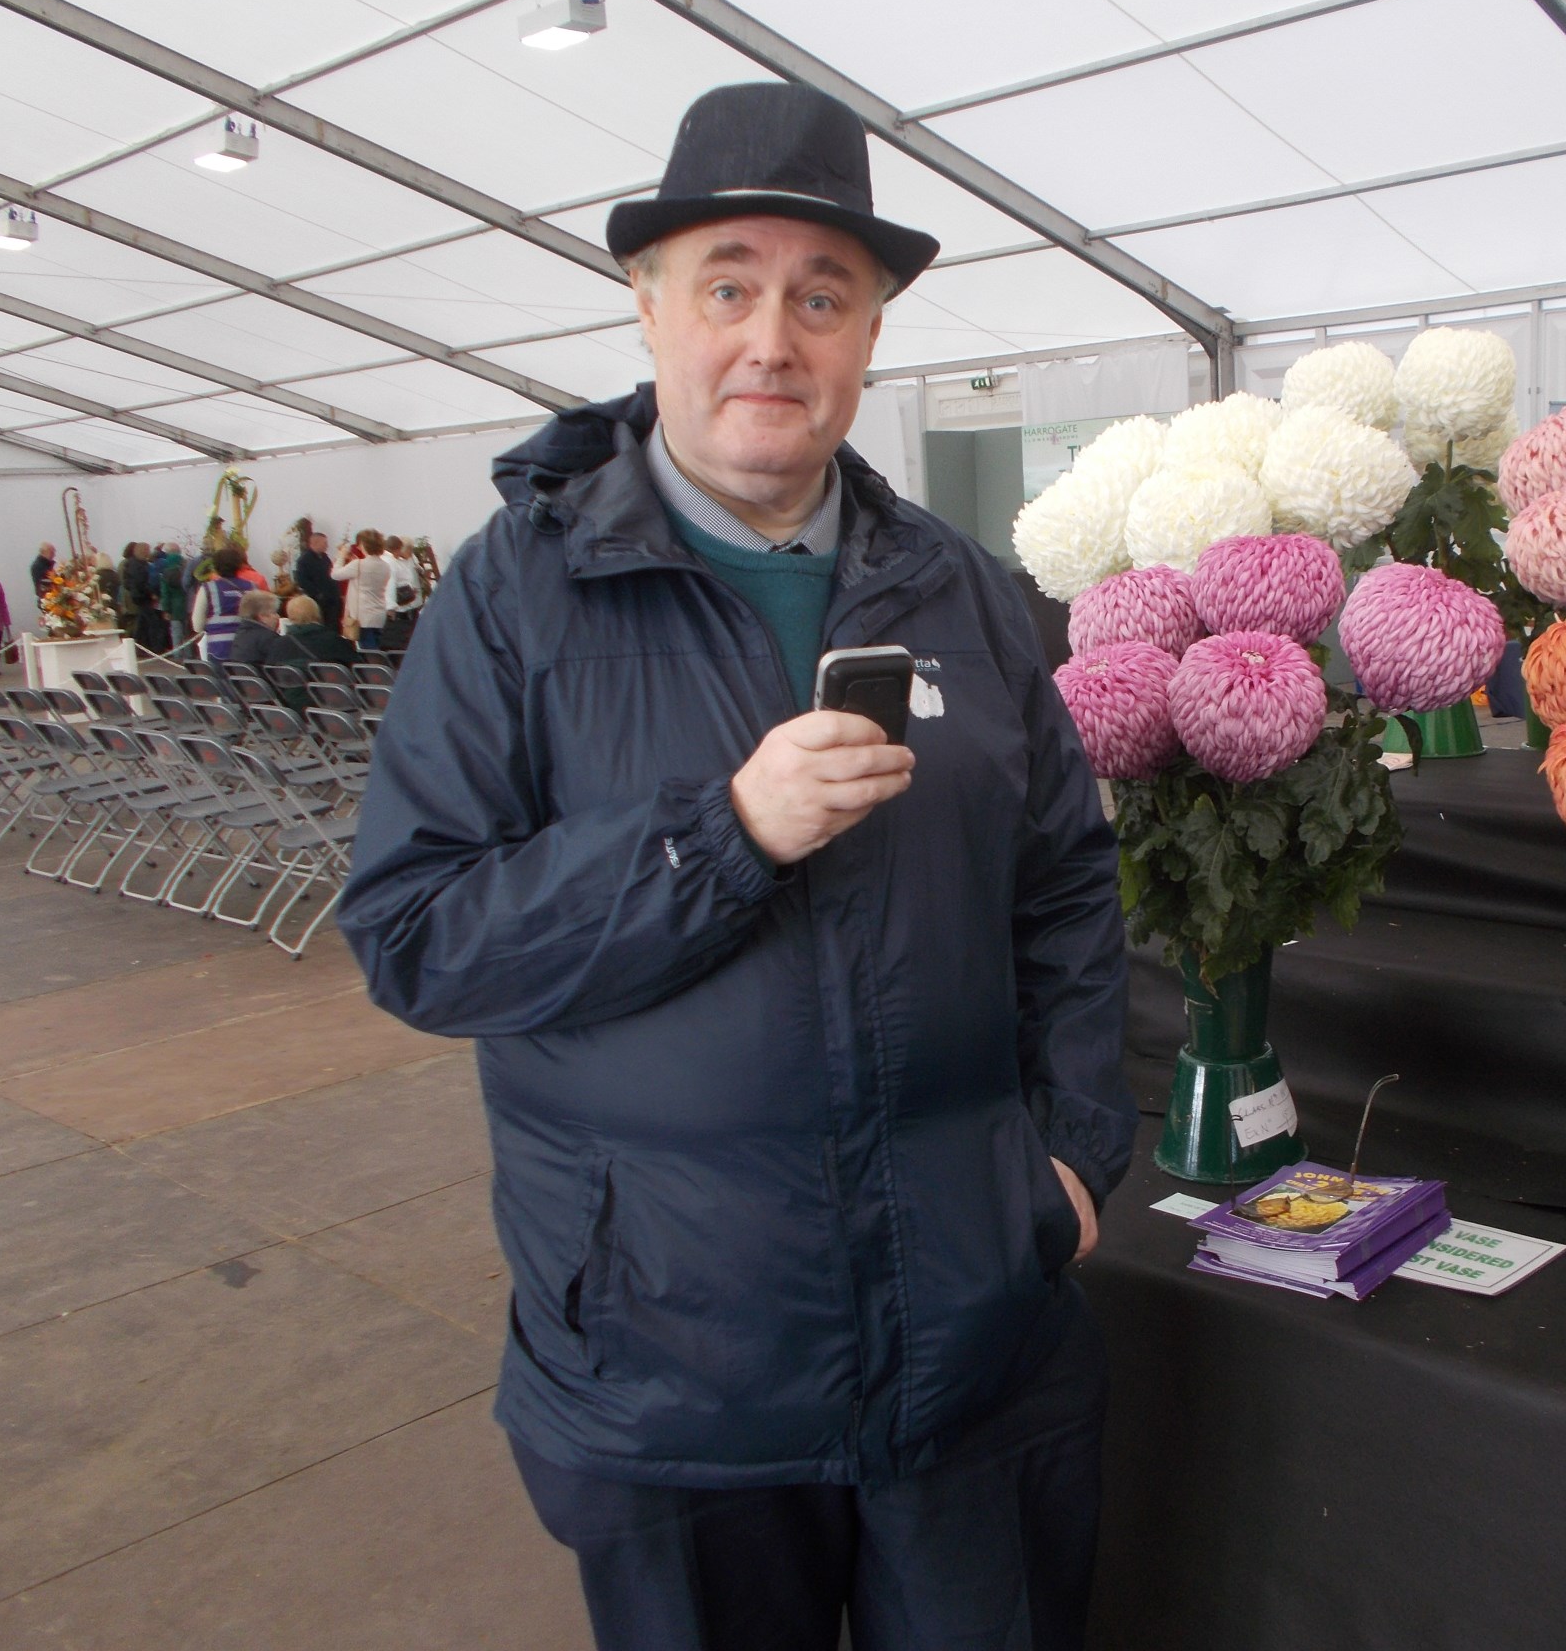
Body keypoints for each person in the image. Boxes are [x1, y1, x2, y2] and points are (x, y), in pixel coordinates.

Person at [337, 82, 1131, 1651]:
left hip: (976, 1343)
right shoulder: (519, 597)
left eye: (821, 297)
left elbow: (1068, 898)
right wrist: (726, 836)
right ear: (649, 309)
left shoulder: (965, 593)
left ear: (870, 333)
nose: (773, 339)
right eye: (730, 287)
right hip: (669, 1370)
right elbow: (419, 934)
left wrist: (1069, 1171)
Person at [190, 546, 256, 663]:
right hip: (247, 647)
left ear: (215, 566)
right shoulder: (251, 587)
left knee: (220, 681)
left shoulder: (208, 588)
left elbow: (197, 625)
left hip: (218, 648)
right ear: (239, 565)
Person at [294, 530, 341, 633]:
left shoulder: (325, 557)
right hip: (318, 601)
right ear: (315, 543)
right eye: (324, 543)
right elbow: (302, 580)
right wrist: (318, 594)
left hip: (331, 600)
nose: (327, 546)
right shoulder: (304, 560)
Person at [152, 542, 190, 653]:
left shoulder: (166, 573)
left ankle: (178, 655)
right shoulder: (185, 570)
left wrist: (166, 610)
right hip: (187, 605)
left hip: (174, 607)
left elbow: (165, 594)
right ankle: (189, 655)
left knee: (176, 634)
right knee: (187, 634)